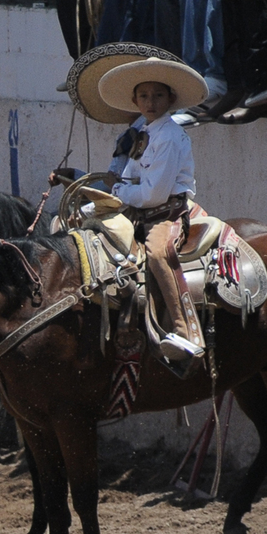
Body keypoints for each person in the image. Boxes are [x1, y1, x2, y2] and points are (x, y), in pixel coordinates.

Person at [97, 57, 210, 364]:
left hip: (167, 214)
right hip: (140, 213)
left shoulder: (169, 136)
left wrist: (117, 190)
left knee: (158, 254)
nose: (151, 102)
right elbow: (132, 180)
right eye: (144, 96)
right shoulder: (144, 134)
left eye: (158, 95)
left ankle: (186, 330)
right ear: (135, 101)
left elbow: (152, 194)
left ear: (170, 99)